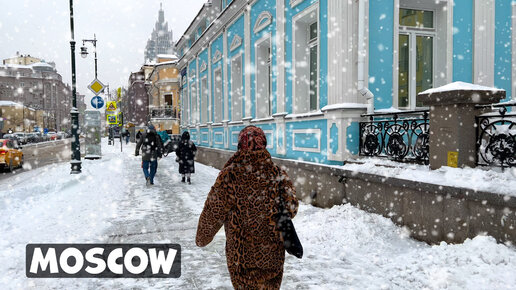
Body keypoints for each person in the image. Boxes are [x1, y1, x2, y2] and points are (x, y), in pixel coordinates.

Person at [196, 126, 299, 289]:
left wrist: (202, 237)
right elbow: (292, 207)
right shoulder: (277, 173)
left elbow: (214, 210)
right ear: (263, 145)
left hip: (241, 258)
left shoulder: (230, 175)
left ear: (240, 145)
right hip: (272, 256)